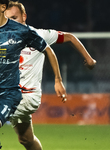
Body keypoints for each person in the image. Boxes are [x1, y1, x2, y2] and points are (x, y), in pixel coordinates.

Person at [0, 0, 66, 150]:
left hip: (6, 94)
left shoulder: (20, 31)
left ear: (2, 7)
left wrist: (58, 80)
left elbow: (47, 49)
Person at [5, 1, 96, 150]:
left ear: (24, 17)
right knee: (26, 140)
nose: (11, 23)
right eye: (8, 19)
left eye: (14, 18)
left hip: (26, 97)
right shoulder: (2, 40)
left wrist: (89, 59)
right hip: (12, 95)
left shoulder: (39, 35)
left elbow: (70, 37)